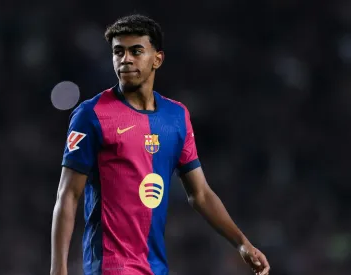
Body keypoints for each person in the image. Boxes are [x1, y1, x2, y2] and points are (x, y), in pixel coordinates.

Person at [50, 14, 270, 275]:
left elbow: (200, 194)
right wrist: (58, 269)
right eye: (118, 52)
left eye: (136, 51)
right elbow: (68, 195)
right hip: (110, 267)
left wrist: (242, 244)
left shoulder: (176, 117)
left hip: (155, 268)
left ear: (157, 59)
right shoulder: (91, 115)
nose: (125, 59)